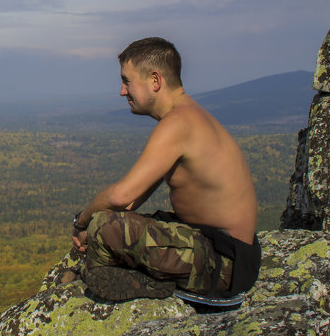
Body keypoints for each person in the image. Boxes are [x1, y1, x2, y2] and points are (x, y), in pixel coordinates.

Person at [70, 37, 261, 303]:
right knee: (113, 225)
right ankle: (107, 276)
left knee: (104, 227)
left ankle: (126, 284)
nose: (122, 92)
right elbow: (133, 201)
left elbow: (120, 196)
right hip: (223, 253)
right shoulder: (188, 116)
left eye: (127, 81)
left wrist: (81, 221)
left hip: (223, 264)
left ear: (155, 80)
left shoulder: (178, 123)